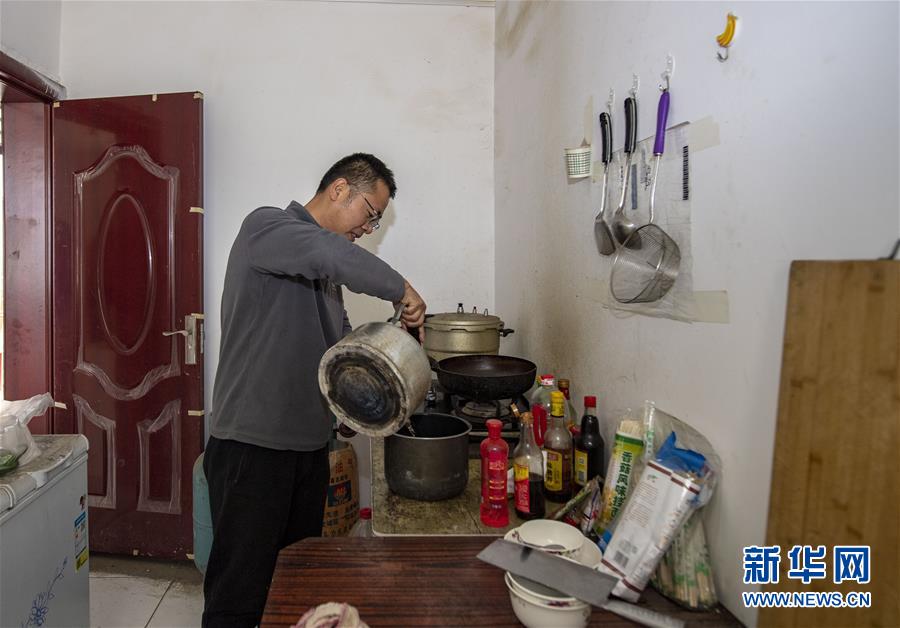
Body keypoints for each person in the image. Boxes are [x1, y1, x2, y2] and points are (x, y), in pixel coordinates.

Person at [202, 153, 426, 627]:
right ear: (339, 189)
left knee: (294, 582)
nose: (368, 228)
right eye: (370, 214)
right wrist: (400, 288)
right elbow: (331, 255)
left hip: (307, 450)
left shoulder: (324, 278)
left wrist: (355, 403)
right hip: (252, 448)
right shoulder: (267, 228)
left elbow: (339, 351)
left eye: (376, 222)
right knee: (239, 597)